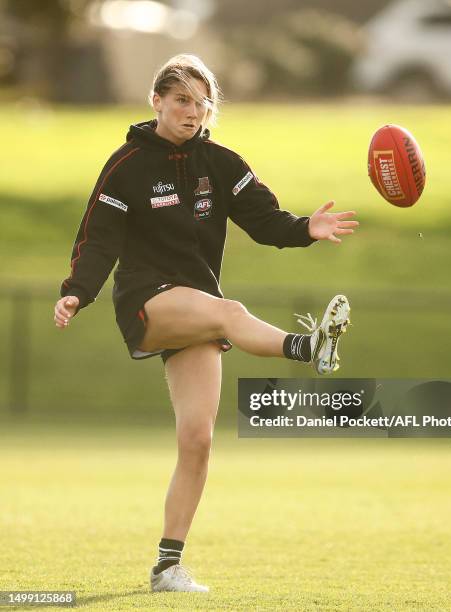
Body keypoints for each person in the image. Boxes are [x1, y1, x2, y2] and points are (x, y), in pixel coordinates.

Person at [53, 54, 359, 593]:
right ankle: (308, 346)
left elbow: (266, 222)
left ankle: (167, 567)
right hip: (147, 302)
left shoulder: (219, 162)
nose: (193, 112)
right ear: (157, 101)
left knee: (197, 441)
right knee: (230, 312)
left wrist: (306, 228)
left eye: (201, 102)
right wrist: (76, 293)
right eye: (181, 101)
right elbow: (98, 240)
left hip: (197, 308)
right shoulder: (126, 166)